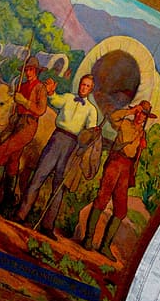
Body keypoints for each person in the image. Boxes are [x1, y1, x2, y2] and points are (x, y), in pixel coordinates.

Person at [16, 74, 99, 235]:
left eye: (88, 86)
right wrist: (52, 92)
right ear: (79, 85)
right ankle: (21, 214)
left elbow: (89, 133)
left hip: (72, 146)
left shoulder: (91, 110)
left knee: (59, 186)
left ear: (91, 89)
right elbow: (54, 101)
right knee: (38, 176)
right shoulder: (68, 98)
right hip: (56, 139)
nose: (84, 88)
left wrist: (92, 134)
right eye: (83, 84)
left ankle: (47, 226)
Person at [80, 99, 154, 259]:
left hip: (126, 169)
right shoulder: (125, 124)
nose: (141, 116)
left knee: (121, 211)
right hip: (115, 162)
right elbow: (113, 117)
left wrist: (141, 144)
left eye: (144, 114)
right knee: (102, 198)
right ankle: (88, 239)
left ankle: (104, 246)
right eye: (140, 112)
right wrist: (130, 111)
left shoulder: (142, 133)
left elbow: (136, 157)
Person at [0, 58, 49, 206]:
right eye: (26, 70)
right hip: (18, 121)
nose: (28, 72)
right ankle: (8, 198)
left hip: (29, 124)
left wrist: (24, 101)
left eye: (31, 69)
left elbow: (41, 110)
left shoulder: (40, 88)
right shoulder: (22, 85)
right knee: (13, 159)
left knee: (4, 149)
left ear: (37, 71)